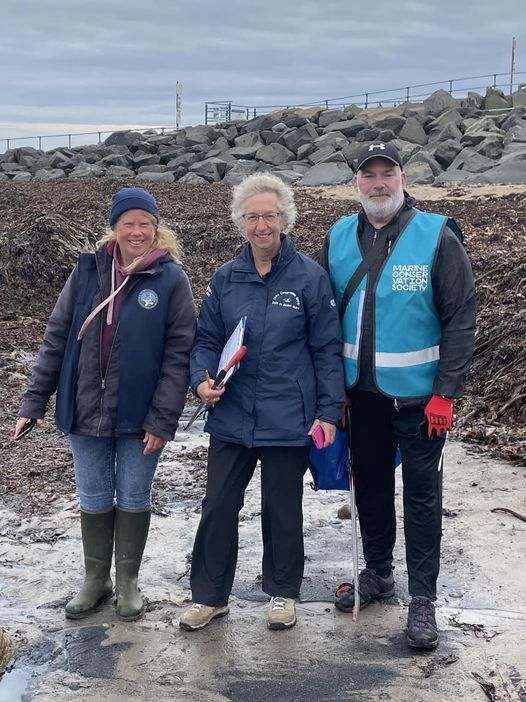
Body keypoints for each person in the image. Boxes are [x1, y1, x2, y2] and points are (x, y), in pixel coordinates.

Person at [320, 142, 476, 650]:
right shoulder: (339, 237)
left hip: (420, 403)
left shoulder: (435, 235)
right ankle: (380, 574)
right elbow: (323, 322)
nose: (379, 183)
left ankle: (423, 598)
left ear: (404, 179)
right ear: (356, 185)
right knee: (369, 488)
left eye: (388, 174)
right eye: (370, 176)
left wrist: (446, 394)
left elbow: (460, 318)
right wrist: (332, 392)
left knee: (422, 496)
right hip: (360, 399)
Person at [14, 187, 196, 621]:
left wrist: (164, 418)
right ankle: (96, 580)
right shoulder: (87, 271)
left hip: (142, 414)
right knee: (94, 496)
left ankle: (128, 582)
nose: (137, 231)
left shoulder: (171, 278)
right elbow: (56, 336)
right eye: (128, 223)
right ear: (113, 228)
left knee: (134, 494)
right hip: (83, 408)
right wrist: (33, 401)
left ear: (157, 229)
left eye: (145, 224)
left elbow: (180, 355)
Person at [179, 173, 344, 632]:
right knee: (217, 506)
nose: (261, 225)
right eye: (252, 217)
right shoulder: (225, 278)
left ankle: (282, 593)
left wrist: (328, 412)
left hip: (288, 416)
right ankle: (209, 597)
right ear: (241, 222)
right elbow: (206, 340)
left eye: (269, 215)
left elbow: (327, 351)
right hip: (231, 414)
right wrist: (201, 382)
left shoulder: (311, 278)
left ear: (284, 218)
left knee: (282, 508)